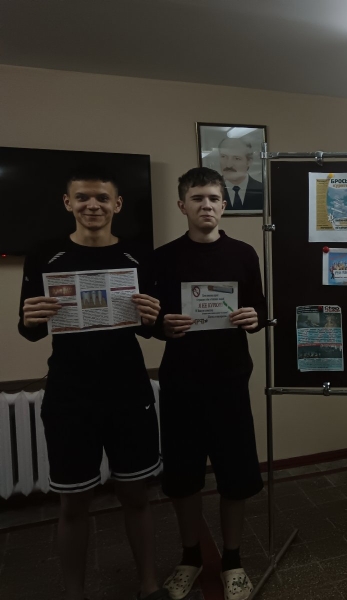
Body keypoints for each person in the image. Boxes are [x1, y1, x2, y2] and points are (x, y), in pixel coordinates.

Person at [17, 167, 166, 600]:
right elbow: (30, 330)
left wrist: (153, 318)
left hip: (128, 390)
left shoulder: (138, 256)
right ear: (68, 203)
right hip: (70, 393)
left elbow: (151, 330)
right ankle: (74, 594)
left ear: (116, 204)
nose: (92, 205)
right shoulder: (45, 254)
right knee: (72, 502)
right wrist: (29, 320)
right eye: (82, 197)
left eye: (101, 198)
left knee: (136, 494)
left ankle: (149, 585)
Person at [153, 167, 267, 600]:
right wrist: (162, 327)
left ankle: (233, 560)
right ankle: (191, 557)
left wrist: (255, 318)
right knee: (183, 479)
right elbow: (148, 320)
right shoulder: (162, 258)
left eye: (214, 198)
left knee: (236, 478)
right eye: (197, 198)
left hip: (230, 382)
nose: (207, 206)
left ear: (224, 205)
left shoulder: (243, 254)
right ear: (182, 205)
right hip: (181, 385)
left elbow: (258, 309)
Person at [217, 137, 264, 211]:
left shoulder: (263, 190)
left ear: (249, 162)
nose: (228, 165)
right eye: (223, 156)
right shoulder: (210, 191)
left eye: (236, 158)